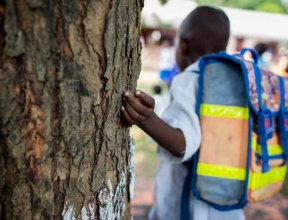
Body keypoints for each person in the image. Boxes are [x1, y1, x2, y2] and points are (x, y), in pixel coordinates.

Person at [121, 6, 245, 220]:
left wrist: (147, 119)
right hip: (227, 205)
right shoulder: (239, 80)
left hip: (189, 209)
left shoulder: (191, 78)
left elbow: (184, 144)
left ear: (184, 45)